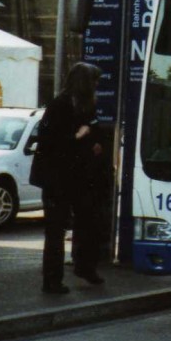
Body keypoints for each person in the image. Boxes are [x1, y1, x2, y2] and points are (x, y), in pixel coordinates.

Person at [38, 61, 106, 294]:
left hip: (78, 176)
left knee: (88, 221)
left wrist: (93, 141)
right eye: (94, 82)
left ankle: (84, 266)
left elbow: (95, 132)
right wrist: (79, 136)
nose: (97, 86)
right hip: (58, 178)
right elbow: (51, 143)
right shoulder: (61, 105)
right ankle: (52, 280)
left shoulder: (85, 106)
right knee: (56, 230)